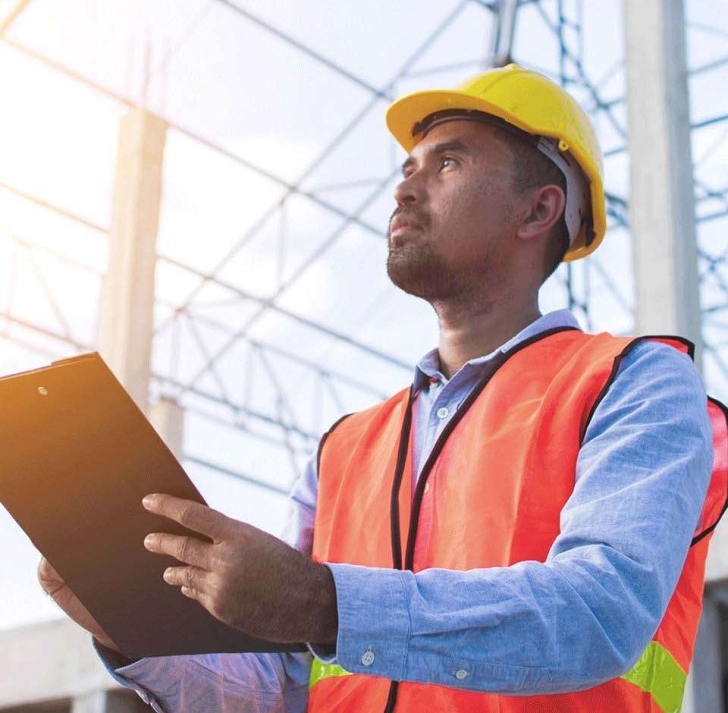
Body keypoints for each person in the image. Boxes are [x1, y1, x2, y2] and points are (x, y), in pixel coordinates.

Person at [39, 64, 727, 713]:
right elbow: (277, 692)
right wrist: (134, 630)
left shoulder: (635, 382)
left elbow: (599, 615)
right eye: (407, 169)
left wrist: (323, 603)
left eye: (448, 163)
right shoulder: (345, 449)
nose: (404, 189)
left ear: (538, 209)